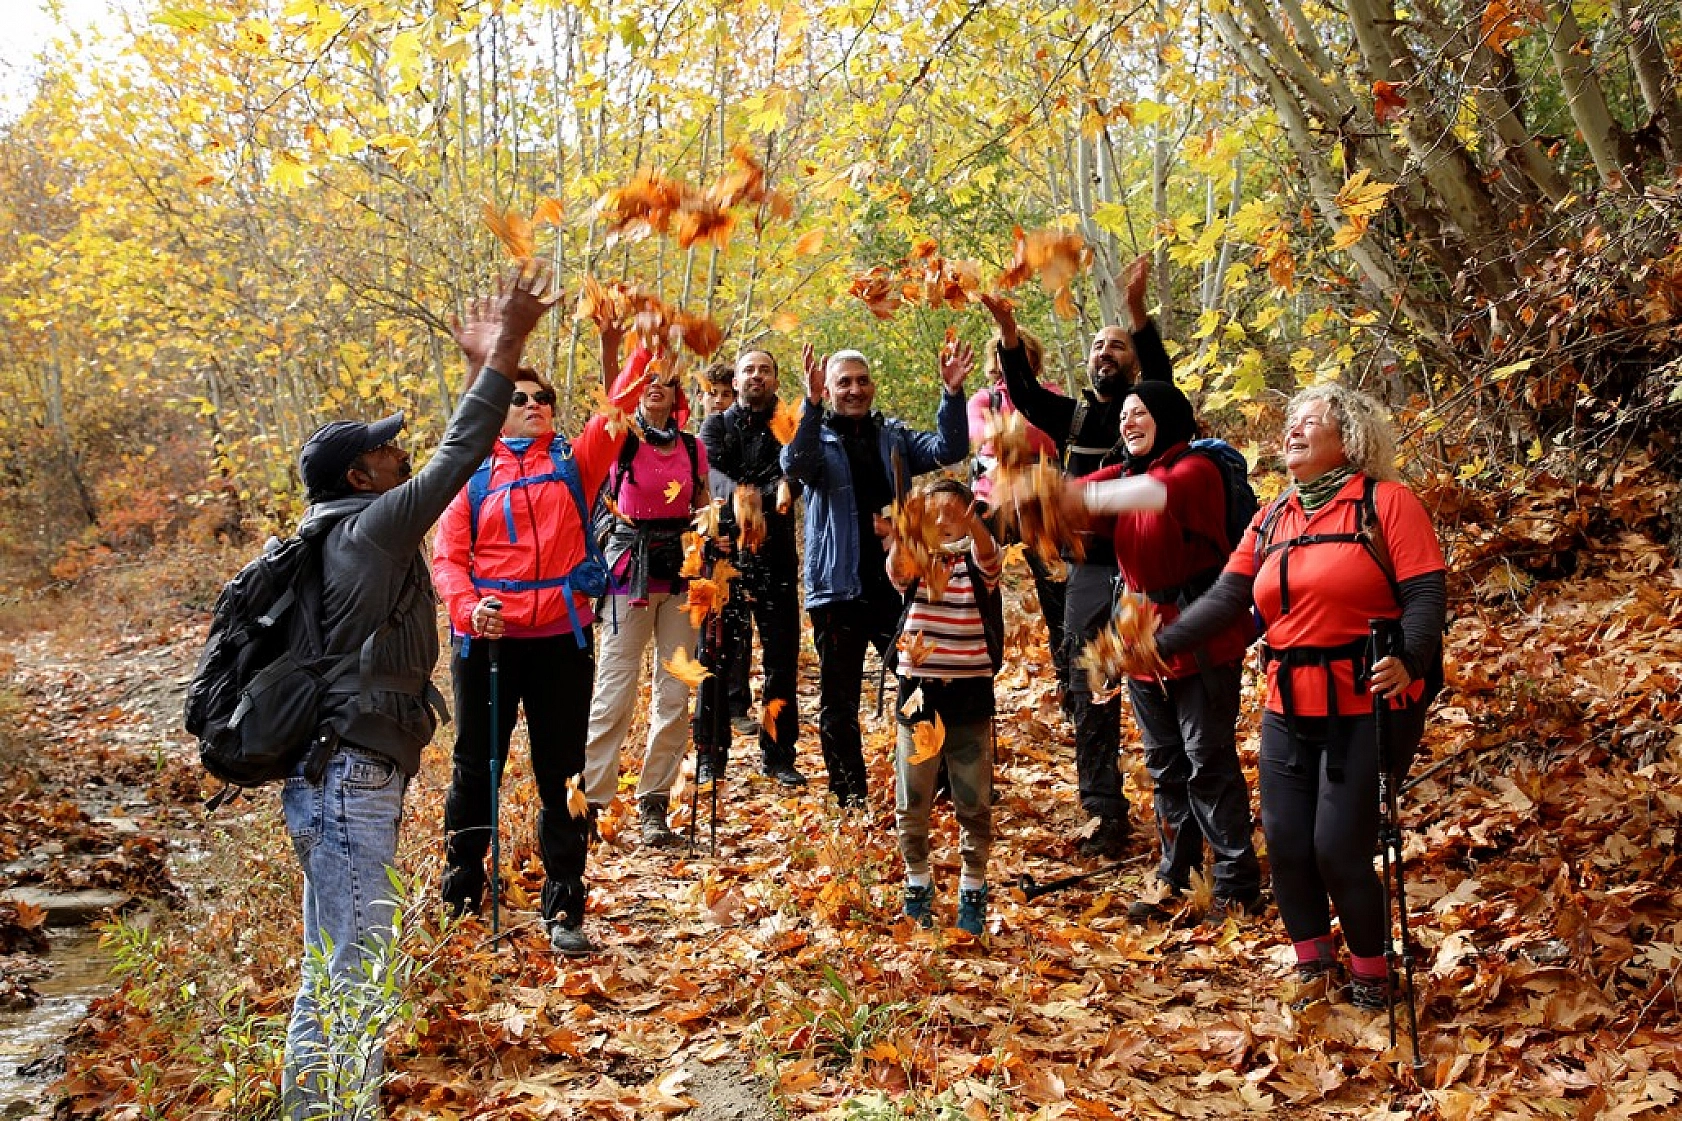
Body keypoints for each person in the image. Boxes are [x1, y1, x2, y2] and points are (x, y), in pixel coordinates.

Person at [282, 266, 554, 1119]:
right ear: (361, 477)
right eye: (386, 448)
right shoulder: (373, 525)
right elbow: (464, 450)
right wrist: (505, 349)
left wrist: (489, 364)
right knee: (358, 957)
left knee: (332, 954)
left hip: (332, 775)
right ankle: (345, 1107)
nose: (403, 452)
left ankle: (310, 1101)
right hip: (350, 778)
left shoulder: (336, 529)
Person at [1144, 384, 1446, 1008]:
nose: (1294, 431)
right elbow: (1230, 597)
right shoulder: (1274, 514)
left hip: (1368, 704)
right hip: (1287, 704)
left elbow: (1424, 596)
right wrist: (1162, 643)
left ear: (1350, 439)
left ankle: (1371, 975)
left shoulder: (1386, 504)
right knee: (1284, 845)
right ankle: (1314, 964)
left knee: (1338, 848)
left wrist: (1408, 656)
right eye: (1292, 421)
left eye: (1312, 422)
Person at [431, 337, 641, 955]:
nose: (533, 406)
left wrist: (631, 349)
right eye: (519, 398)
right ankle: (462, 895)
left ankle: (565, 904)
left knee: (564, 776)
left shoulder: (576, 463)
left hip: (560, 641)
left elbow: (618, 410)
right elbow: (447, 560)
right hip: (487, 645)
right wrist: (471, 609)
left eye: (542, 398)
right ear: (496, 410)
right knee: (476, 769)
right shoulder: (468, 475)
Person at [979, 261, 1172, 861]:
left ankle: (1176, 809)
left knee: (1156, 679)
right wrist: (1009, 331)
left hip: (1149, 563)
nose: (1105, 351)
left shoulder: (1152, 410)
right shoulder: (1079, 416)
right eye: (1098, 345)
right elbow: (1030, 396)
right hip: (1089, 565)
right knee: (1086, 676)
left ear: (1133, 361)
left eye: (1117, 344)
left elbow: (1162, 374)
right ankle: (1103, 810)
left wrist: (1137, 312)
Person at [1068, 381, 1262, 922]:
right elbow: (1080, 496)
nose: (1128, 422)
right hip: (1139, 644)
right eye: (1124, 415)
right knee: (1164, 764)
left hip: (1201, 638)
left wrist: (1068, 495)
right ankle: (1176, 873)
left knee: (1209, 762)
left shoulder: (1194, 471)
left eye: (1141, 413)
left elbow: (1151, 496)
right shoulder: (1128, 475)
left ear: (1170, 419)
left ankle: (1234, 881)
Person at [781, 342, 973, 807]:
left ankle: (935, 782)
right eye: (843, 382)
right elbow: (796, 465)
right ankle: (850, 796)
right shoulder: (817, 438)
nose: (854, 390)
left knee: (922, 680)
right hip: (837, 589)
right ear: (828, 389)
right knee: (838, 699)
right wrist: (809, 405)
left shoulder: (893, 436)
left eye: (862, 381)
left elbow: (951, 448)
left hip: (897, 584)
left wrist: (951, 392)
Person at [581, 347, 714, 846]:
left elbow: (702, 506)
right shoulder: (622, 440)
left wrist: (715, 526)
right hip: (626, 578)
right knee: (614, 693)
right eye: (647, 379)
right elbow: (606, 409)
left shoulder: (694, 448)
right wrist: (618, 349)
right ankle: (591, 804)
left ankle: (654, 803)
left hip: (679, 578)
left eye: (665, 380)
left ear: (678, 396)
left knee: (675, 696)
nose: (655, 385)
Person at [887, 478, 1003, 935]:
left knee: (973, 802)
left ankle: (972, 889)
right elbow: (896, 572)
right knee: (912, 801)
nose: (942, 518)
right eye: (934, 511)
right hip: (919, 694)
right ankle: (917, 883)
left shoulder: (976, 560)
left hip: (970, 696)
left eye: (951, 510)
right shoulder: (917, 558)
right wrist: (907, 527)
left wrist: (972, 520)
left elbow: (991, 558)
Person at [694, 347, 806, 788]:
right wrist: (749, 496)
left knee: (781, 659)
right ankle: (710, 753)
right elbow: (710, 474)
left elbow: (795, 472)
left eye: (765, 369)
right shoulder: (715, 425)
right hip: (724, 556)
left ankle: (778, 755)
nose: (756, 376)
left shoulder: (789, 424)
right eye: (748, 370)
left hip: (776, 557)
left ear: (774, 381)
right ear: (736, 381)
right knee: (714, 656)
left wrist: (771, 491)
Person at [968, 326, 1069, 704]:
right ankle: (978, 680)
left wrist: (1014, 439)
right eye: (1003, 353)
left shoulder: (1052, 396)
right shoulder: (981, 400)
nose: (1009, 360)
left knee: (1057, 591)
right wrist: (1025, 438)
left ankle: (1068, 683)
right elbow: (985, 439)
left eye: (1020, 353)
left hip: (1043, 504)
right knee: (979, 590)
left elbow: (1051, 439)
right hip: (993, 504)